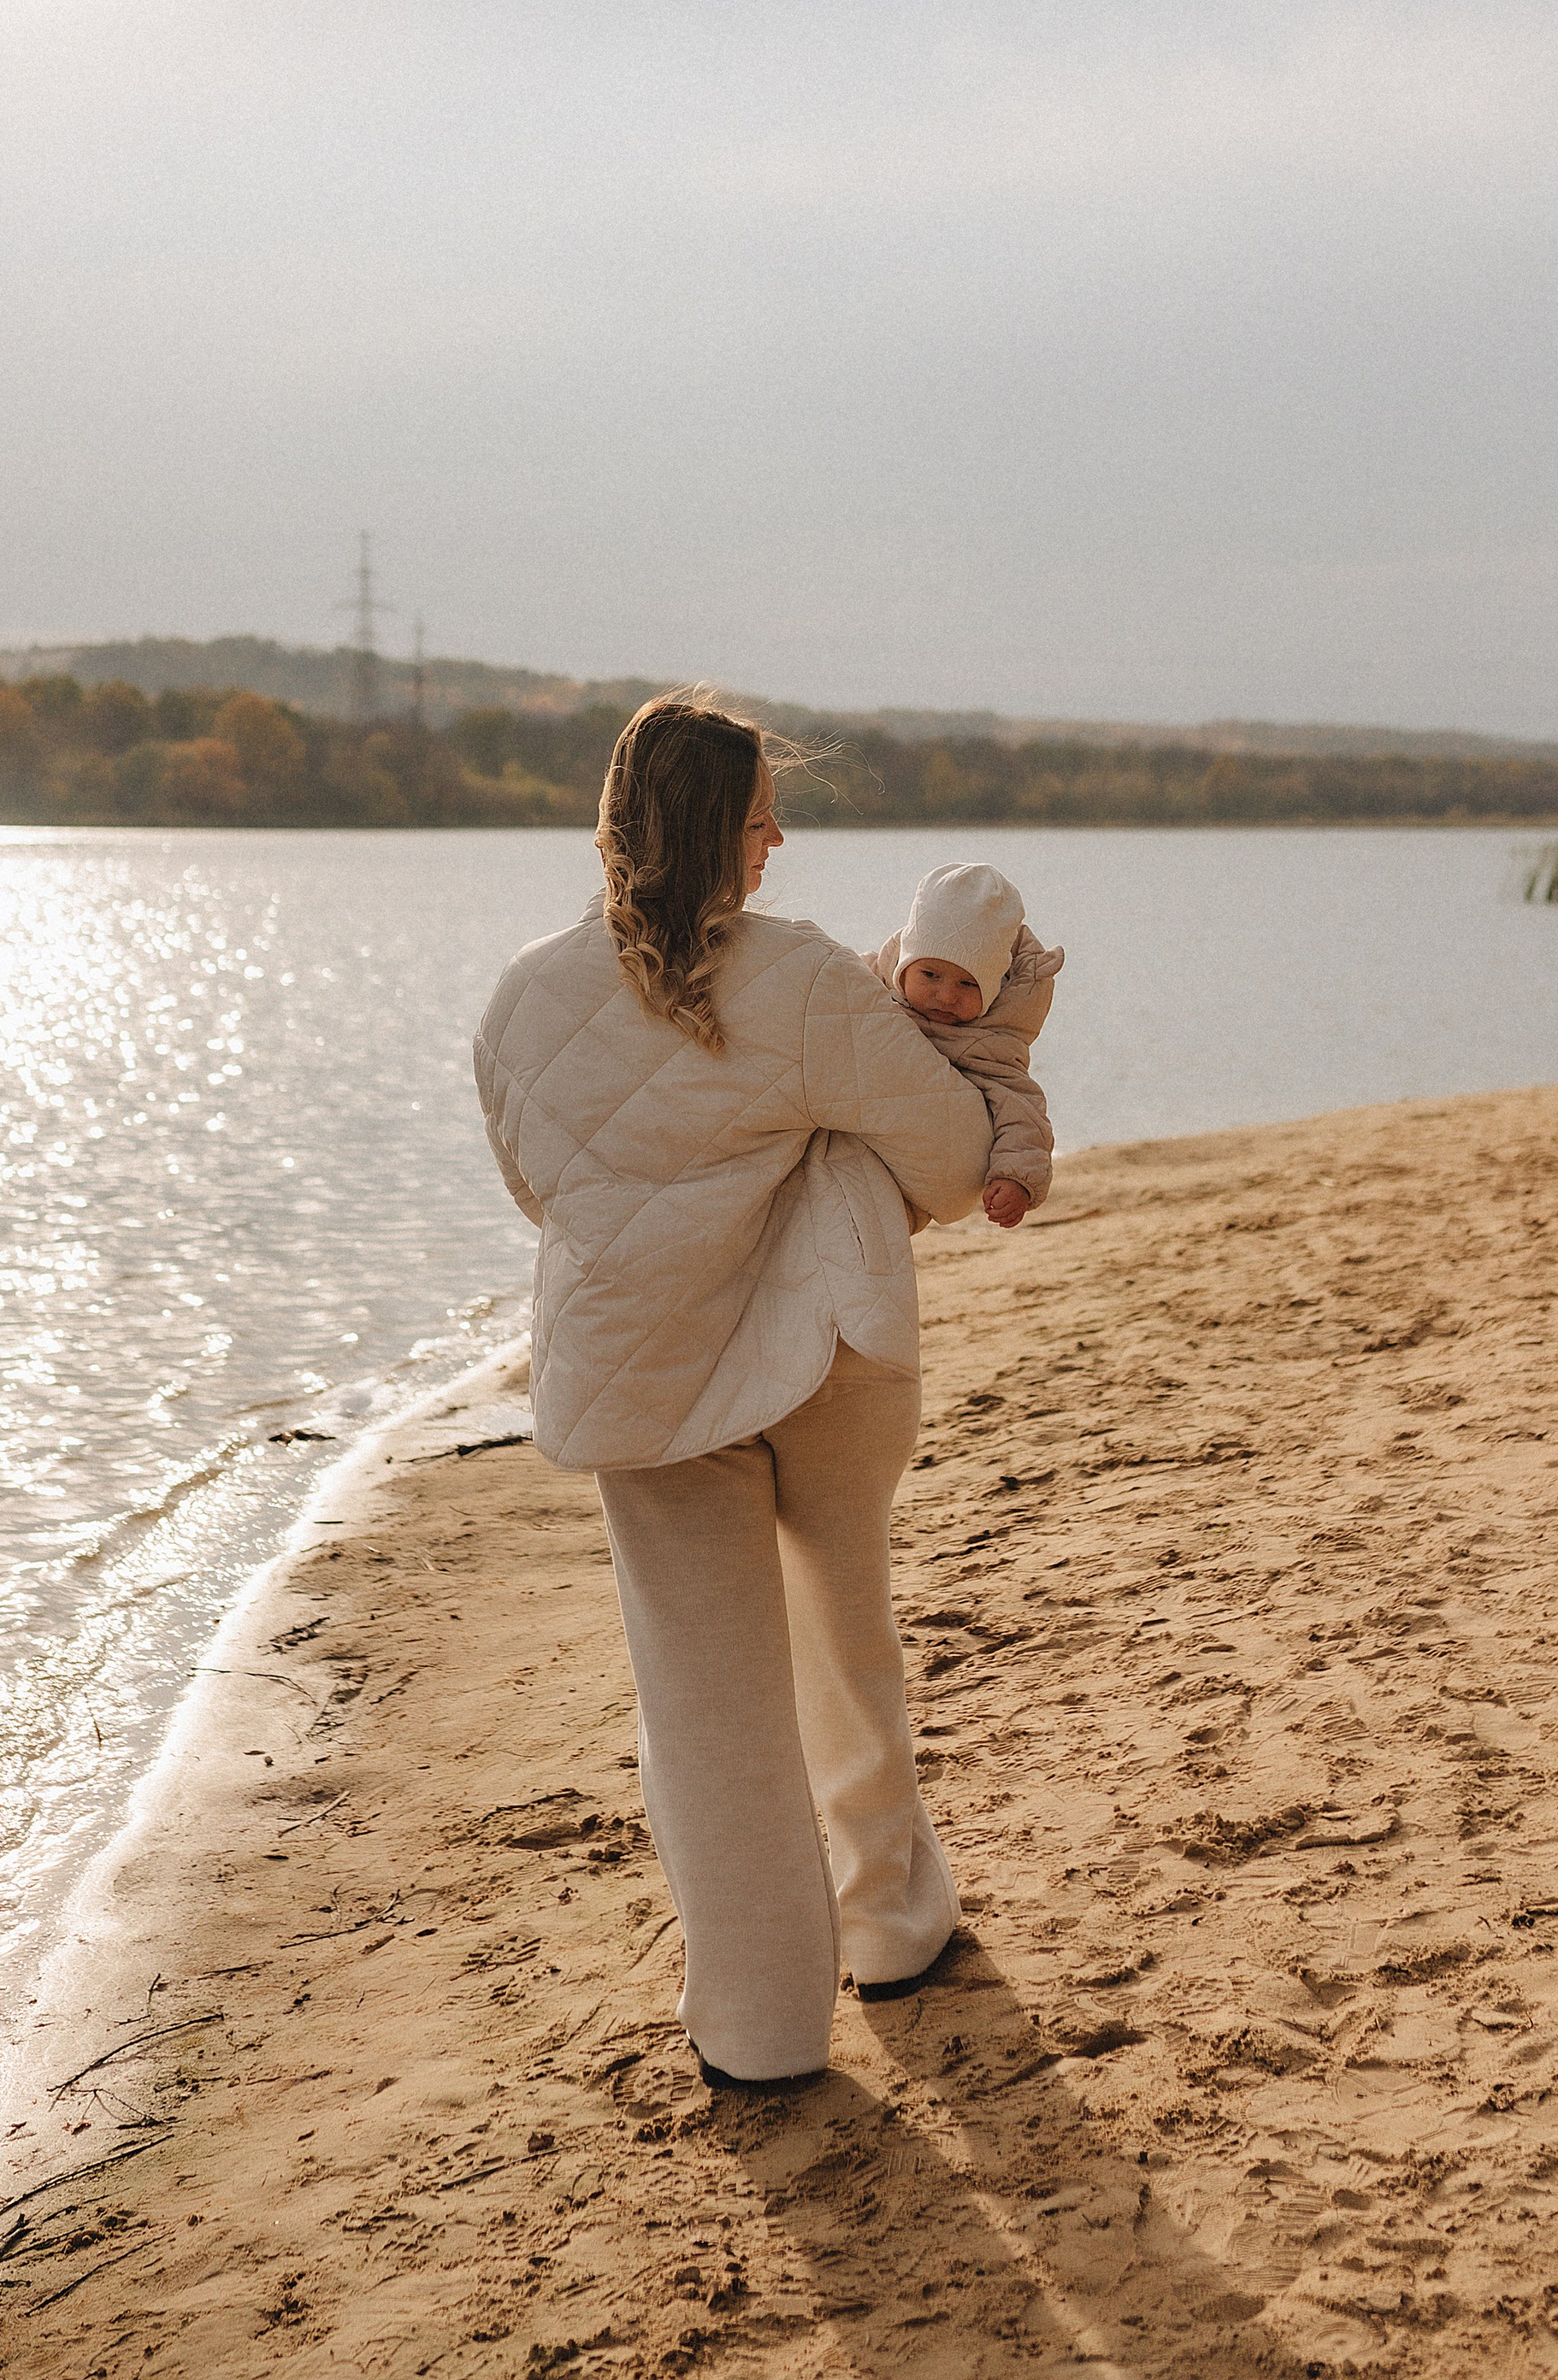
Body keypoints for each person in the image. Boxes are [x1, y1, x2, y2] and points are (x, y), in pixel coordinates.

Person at [473, 692, 994, 2091]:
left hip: (646, 1380)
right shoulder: (810, 978)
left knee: (710, 1710)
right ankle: (892, 1922)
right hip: (817, 1362)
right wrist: (813, 1154)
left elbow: (541, 1191)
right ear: (723, 831)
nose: (783, 834)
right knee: (841, 1630)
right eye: (766, 811)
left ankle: (762, 2036)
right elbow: (951, 1155)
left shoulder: (524, 995)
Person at [864, 860, 1065, 1233]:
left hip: (912, 1183)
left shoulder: (990, 1045)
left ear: (993, 989)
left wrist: (1017, 1180)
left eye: (968, 985)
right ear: (905, 965)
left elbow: (1023, 1114)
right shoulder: (867, 985)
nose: (946, 996)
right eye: (930, 975)